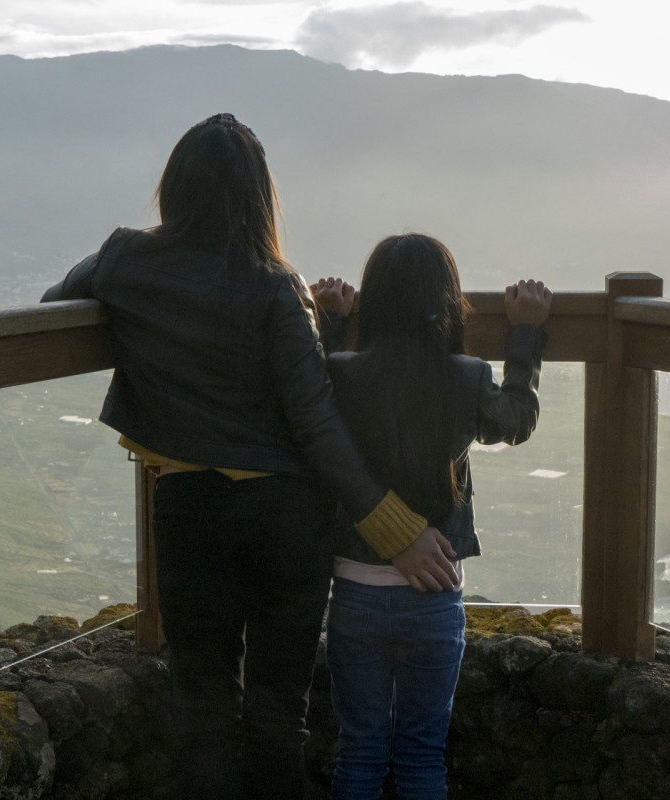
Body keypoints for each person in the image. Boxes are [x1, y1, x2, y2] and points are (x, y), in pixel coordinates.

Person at [39, 115, 457, 800]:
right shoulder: (274, 285)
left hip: (189, 509)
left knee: (201, 707)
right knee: (275, 712)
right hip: (285, 519)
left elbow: (59, 301)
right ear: (261, 197)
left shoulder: (125, 261)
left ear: (174, 187)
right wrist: (395, 530)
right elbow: (314, 421)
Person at [310, 234, 551, 800]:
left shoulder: (342, 374)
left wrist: (331, 323)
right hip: (435, 593)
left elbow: (311, 401)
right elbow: (514, 419)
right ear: (448, 300)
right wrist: (525, 334)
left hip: (355, 591)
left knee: (361, 752)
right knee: (421, 756)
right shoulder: (465, 377)